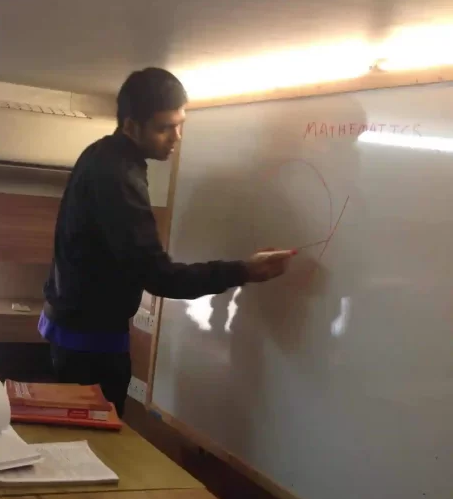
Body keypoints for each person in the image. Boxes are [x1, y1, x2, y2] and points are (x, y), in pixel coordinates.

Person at [40, 68, 294, 417]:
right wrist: (244, 270)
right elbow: (158, 276)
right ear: (131, 126)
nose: (176, 137)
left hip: (72, 329)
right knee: (94, 441)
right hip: (90, 345)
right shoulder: (119, 177)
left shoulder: (100, 153)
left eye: (180, 125)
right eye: (164, 128)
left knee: (80, 437)